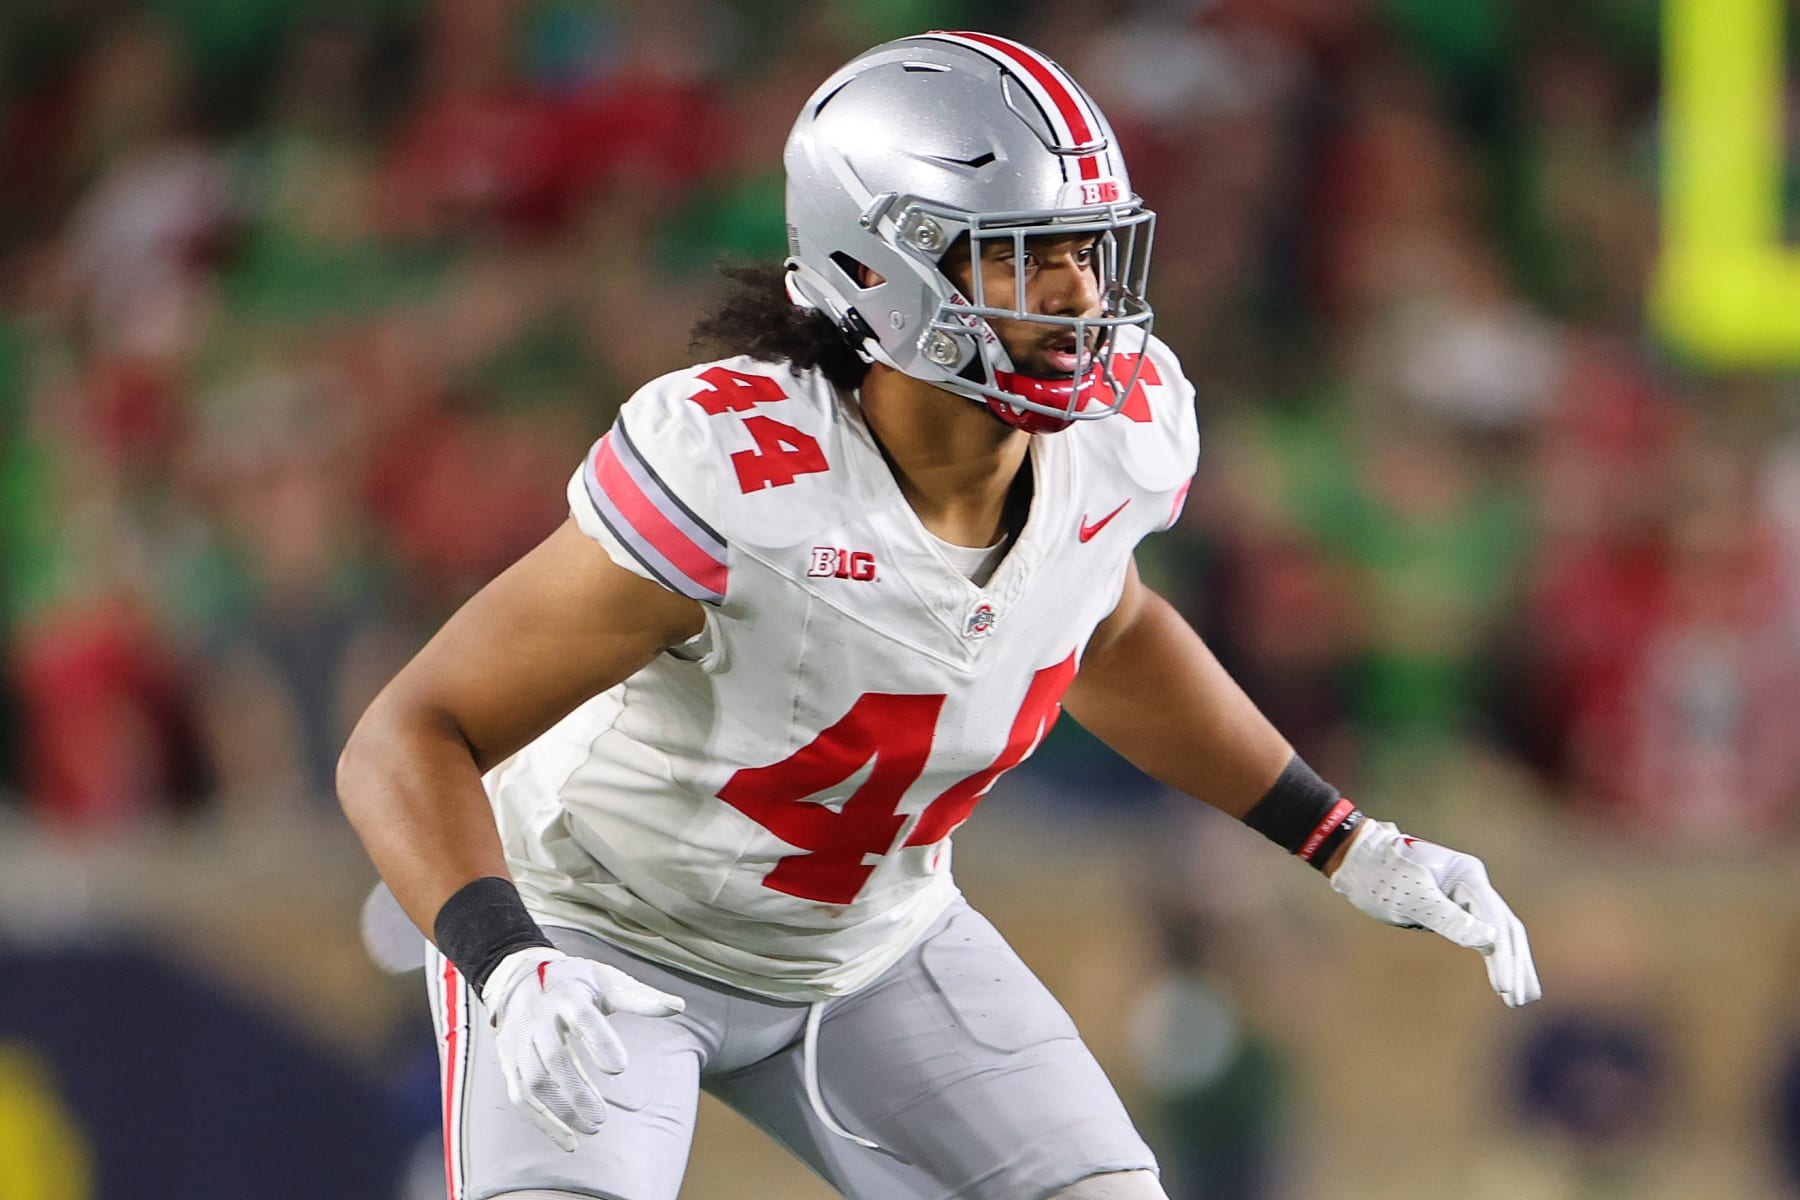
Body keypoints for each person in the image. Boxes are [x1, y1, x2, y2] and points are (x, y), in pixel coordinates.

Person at [337, 31, 1541, 1200]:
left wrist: (1343, 840)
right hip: (595, 931)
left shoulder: (1110, 443)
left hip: (870, 949)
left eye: (1085, 249)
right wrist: (506, 959)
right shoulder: (741, 476)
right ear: (880, 267)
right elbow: (411, 732)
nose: (1079, 293)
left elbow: (1105, 633)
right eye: (1024, 256)